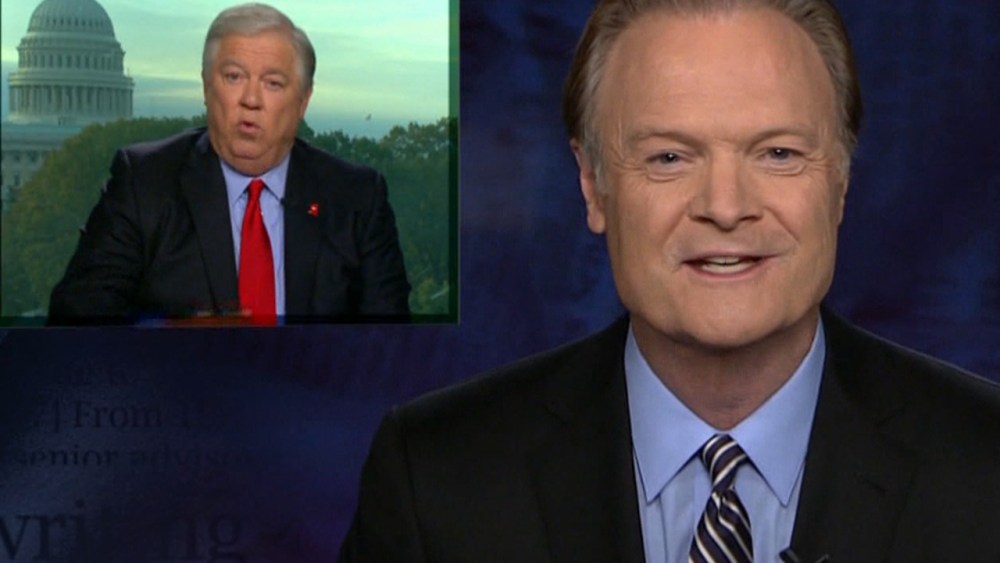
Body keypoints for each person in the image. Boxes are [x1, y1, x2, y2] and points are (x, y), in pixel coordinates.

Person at [339, 0, 1000, 561]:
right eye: (669, 157)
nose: (725, 206)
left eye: (778, 153)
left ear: (841, 180)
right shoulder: (435, 478)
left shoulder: (986, 465)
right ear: (592, 184)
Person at [48, 3, 410, 325]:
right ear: (207, 87)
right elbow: (73, 329)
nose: (251, 99)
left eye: (273, 83)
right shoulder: (144, 184)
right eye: (234, 77)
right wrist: (180, 340)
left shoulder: (357, 198)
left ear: (303, 101)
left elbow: (393, 351)